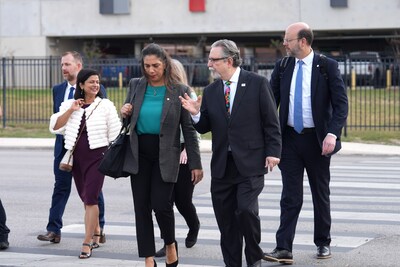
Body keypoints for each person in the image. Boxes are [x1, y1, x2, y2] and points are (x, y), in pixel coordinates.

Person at [179, 39, 282, 267]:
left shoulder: (256, 83)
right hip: (223, 166)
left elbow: (271, 122)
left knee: (246, 210)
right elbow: (205, 126)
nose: (209, 64)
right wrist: (196, 114)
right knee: (226, 222)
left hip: (250, 163)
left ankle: (253, 254)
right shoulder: (212, 90)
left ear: (229, 60)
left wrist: (273, 151)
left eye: (213, 60)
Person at [263, 22, 348, 264]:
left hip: (317, 141)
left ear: (302, 41)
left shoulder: (326, 66)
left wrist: (332, 133)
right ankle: (284, 248)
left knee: (320, 193)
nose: (284, 43)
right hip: (288, 139)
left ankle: (323, 243)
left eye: (288, 39)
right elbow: (270, 105)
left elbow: (341, 104)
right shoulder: (282, 66)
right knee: (290, 195)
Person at [120, 43, 203, 267]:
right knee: (141, 207)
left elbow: (188, 129)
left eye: (155, 65)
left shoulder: (179, 90)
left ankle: (169, 244)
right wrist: (125, 112)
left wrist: (195, 163)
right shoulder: (136, 85)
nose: (151, 70)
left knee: (161, 205)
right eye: (146, 66)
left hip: (166, 154)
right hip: (139, 154)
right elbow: (129, 121)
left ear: (165, 64)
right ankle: (148, 258)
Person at [49, 68, 121, 258]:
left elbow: (116, 134)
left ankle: (87, 242)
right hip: (77, 159)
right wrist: (71, 110)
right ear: (81, 85)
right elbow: (55, 126)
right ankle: (97, 230)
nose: (95, 85)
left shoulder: (105, 105)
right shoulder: (70, 105)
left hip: (98, 157)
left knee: (91, 198)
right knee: (85, 197)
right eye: (91, 82)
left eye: (97, 82)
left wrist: (113, 157)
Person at [37, 51, 107, 245]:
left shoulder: (95, 88)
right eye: (62, 65)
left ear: (78, 66)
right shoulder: (58, 89)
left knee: (92, 191)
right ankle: (53, 230)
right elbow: (57, 121)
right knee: (60, 187)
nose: (63, 68)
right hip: (64, 149)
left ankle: (98, 229)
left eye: (67, 64)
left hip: (89, 149)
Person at [155, 59, 201, 258]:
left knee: (183, 200)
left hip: (183, 153)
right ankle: (168, 243)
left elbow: (194, 129)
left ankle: (194, 225)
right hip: (164, 152)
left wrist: (187, 151)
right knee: (163, 203)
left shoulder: (185, 92)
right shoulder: (158, 93)